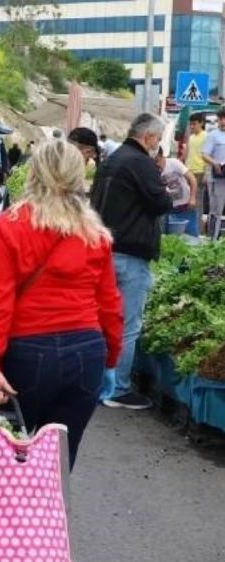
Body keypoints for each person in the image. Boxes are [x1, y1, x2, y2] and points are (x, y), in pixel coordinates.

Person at [0, 140, 123, 469]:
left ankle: (11, 520)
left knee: (11, 462)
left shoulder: (8, 227)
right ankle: (53, 520)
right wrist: (110, 360)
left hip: (27, 352)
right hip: (86, 352)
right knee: (59, 465)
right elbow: (109, 304)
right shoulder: (94, 232)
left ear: (33, 173)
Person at [92, 113, 171, 410]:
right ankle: (118, 388)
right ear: (149, 137)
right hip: (130, 253)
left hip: (105, 249)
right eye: (158, 139)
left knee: (103, 320)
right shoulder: (140, 162)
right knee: (127, 323)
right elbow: (161, 203)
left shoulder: (112, 159)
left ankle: (99, 383)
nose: (158, 144)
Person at [155, 146, 198, 235]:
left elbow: (192, 179)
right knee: (171, 238)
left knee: (191, 235)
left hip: (186, 206)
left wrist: (192, 198)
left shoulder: (174, 163)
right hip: (169, 210)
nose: (157, 164)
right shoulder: (152, 170)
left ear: (161, 156)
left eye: (157, 160)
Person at [201, 106, 225, 240]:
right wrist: (215, 163)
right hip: (218, 178)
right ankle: (213, 239)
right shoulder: (213, 136)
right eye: (221, 119)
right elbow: (204, 154)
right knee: (216, 210)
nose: (223, 122)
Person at [185, 113, 207, 233]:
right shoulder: (191, 137)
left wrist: (206, 173)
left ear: (201, 123)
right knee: (189, 202)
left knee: (197, 203)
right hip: (189, 172)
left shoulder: (206, 136)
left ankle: (198, 231)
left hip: (200, 172)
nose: (192, 126)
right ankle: (190, 229)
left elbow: (208, 155)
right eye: (191, 124)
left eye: (194, 124)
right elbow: (187, 154)